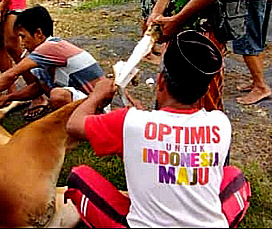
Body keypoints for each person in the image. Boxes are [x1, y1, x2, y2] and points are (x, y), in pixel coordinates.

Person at [64, 30, 233, 227]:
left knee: (79, 177)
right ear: (204, 91)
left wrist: (96, 95)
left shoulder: (130, 122)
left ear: (161, 82)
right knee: (234, 177)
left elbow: (73, 125)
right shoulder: (220, 123)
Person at [0, 5, 106, 121]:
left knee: (58, 96)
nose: (22, 43)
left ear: (39, 33)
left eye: (23, 36)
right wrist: (8, 97)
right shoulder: (49, 52)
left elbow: (12, 74)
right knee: (41, 77)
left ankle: (75, 128)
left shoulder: (49, 48)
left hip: (99, 106)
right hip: (90, 101)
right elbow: (38, 88)